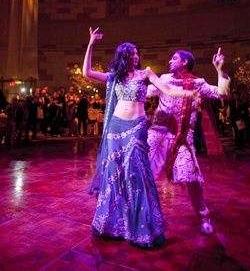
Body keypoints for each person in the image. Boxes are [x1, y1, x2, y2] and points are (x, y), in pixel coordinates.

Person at [83, 27, 196, 249]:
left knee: (136, 175)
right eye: (133, 54)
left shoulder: (146, 74)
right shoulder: (114, 78)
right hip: (115, 129)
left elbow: (168, 90)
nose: (137, 56)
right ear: (124, 56)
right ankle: (113, 225)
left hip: (137, 128)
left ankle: (141, 228)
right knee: (115, 176)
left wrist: (188, 93)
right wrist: (91, 44)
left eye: (137, 53)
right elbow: (86, 72)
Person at [147, 48, 230, 235]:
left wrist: (219, 70)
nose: (170, 60)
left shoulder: (198, 83)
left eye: (174, 58)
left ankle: (203, 216)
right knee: (144, 173)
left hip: (182, 137)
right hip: (157, 134)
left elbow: (222, 94)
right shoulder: (164, 79)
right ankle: (142, 217)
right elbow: (144, 93)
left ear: (185, 62)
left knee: (191, 178)